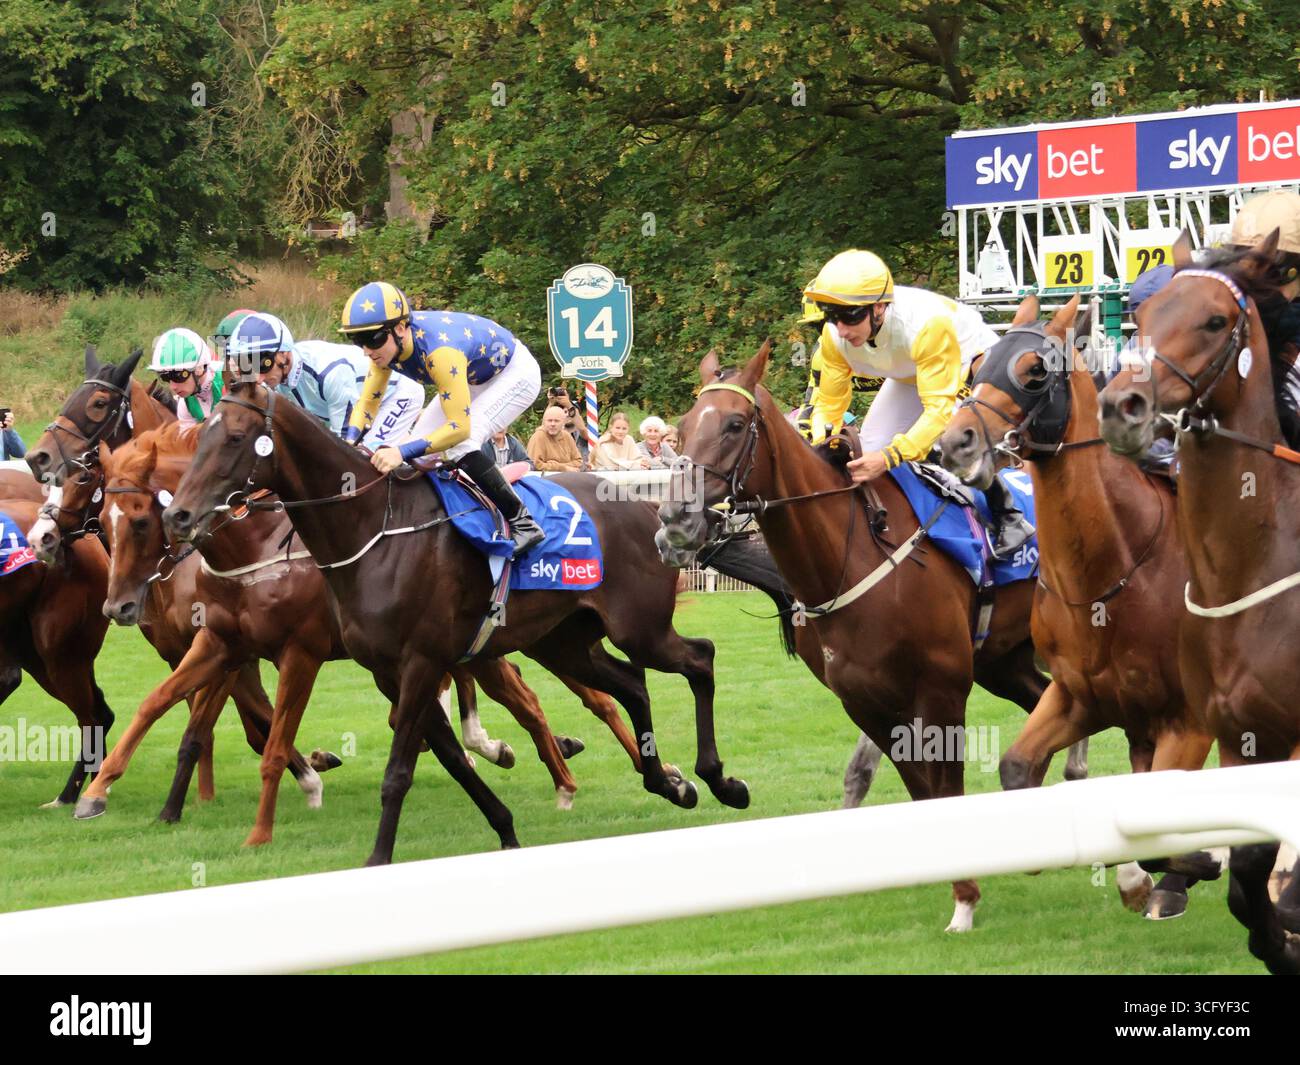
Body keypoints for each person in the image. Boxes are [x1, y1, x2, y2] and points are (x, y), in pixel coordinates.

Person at [802, 249, 1033, 558]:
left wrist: (888, 458)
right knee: (866, 451)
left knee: (948, 446)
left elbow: (937, 414)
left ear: (880, 307)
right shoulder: (834, 337)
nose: (841, 329)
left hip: (969, 365)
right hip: (911, 371)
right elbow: (828, 405)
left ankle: (1010, 516)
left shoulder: (926, 325)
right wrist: (823, 446)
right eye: (832, 317)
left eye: (849, 317)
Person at [338, 281, 545, 558]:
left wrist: (399, 451)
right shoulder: (384, 351)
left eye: (372, 339)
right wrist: (349, 443)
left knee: (461, 442)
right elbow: (368, 402)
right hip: (472, 374)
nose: (366, 350)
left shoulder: (440, 353)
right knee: (416, 448)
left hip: (514, 374)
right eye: (357, 340)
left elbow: (458, 429)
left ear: (400, 329)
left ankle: (523, 521)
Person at [228, 310, 422, 450]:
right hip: (359, 405)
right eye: (249, 367)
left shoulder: (328, 374)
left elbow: (345, 447)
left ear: (283, 355)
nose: (258, 378)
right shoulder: (277, 379)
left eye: (262, 365)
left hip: (397, 394)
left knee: (367, 457)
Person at [149, 327, 223, 427]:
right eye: (165, 378)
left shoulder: (229, 383)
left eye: (178, 376)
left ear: (199, 368)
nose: (172, 387)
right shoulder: (185, 404)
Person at [527, 405, 584, 471]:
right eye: (549, 421)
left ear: (563, 422)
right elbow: (535, 465)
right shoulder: (538, 437)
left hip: (567, 477)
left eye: (556, 421)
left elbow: (578, 462)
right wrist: (563, 468)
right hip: (545, 479)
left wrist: (556, 465)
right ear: (544, 422)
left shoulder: (566, 435)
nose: (553, 424)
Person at [547, 384, 590, 463]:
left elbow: (582, 429)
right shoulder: (554, 432)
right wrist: (551, 403)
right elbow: (545, 425)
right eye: (565, 412)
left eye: (569, 411)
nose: (567, 414)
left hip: (581, 472)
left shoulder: (582, 432)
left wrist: (569, 404)